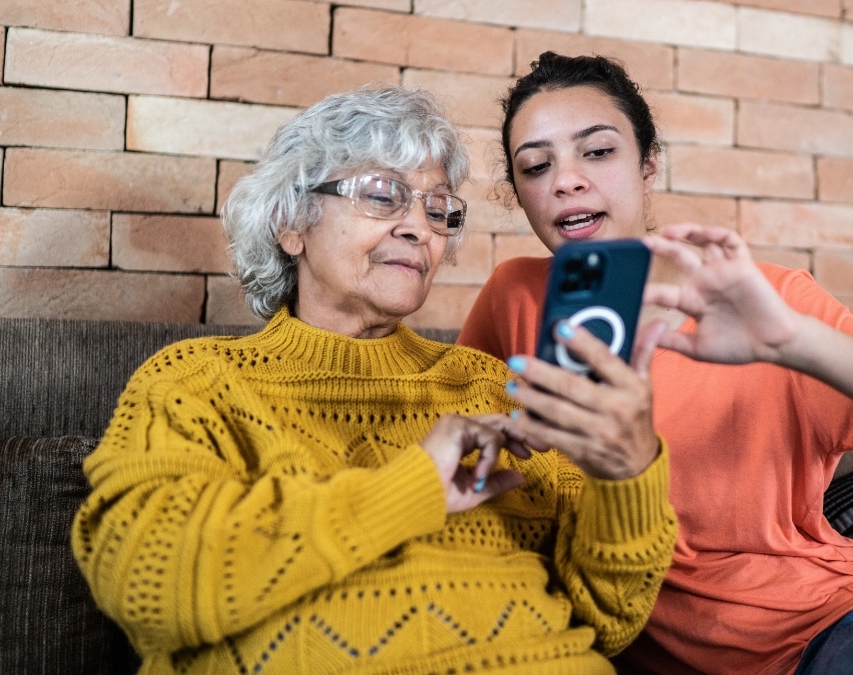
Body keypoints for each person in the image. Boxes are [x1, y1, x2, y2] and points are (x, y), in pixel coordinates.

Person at [70, 86, 678, 675]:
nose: (419, 227)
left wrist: (625, 473)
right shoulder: (196, 382)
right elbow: (148, 583)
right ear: (292, 223)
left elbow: (609, 620)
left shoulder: (489, 388)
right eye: (384, 196)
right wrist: (414, 487)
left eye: (437, 209)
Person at [457, 52, 853, 675]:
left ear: (648, 164)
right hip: (623, 637)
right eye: (536, 165)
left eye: (597, 152)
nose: (566, 180)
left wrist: (790, 340)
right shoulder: (515, 298)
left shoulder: (762, 296)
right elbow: (469, 453)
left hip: (826, 630)